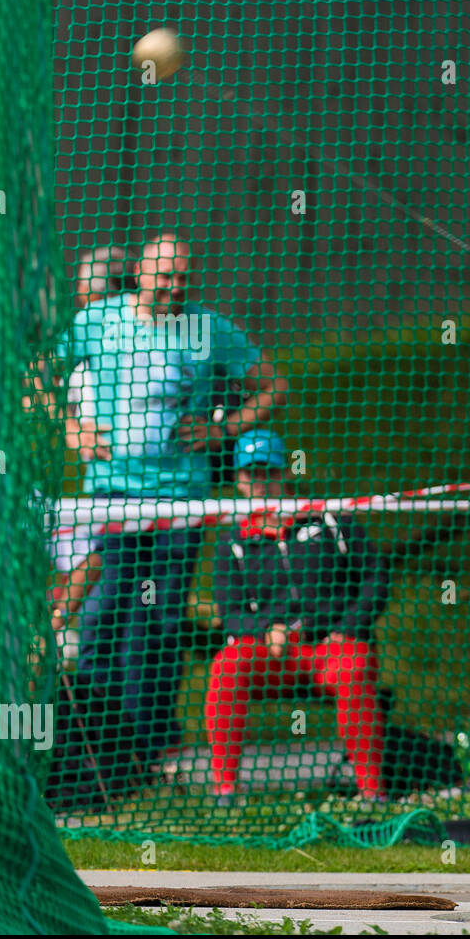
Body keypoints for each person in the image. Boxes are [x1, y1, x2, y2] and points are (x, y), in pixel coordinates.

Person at [54, 231, 288, 785]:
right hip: (112, 492)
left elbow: (273, 386)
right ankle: (96, 736)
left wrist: (221, 429)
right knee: (110, 605)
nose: (174, 287)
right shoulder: (97, 321)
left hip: (183, 496)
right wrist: (74, 428)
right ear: (139, 272)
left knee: (158, 616)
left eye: (183, 277)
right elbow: (38, 375)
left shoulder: (207, 328)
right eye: (164, 277)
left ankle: (148, 741)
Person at [204, 430, 391, 804]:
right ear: (237, 480)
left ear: (285, 473)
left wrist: (347, 628)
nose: (260, 483)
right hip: (271, 654)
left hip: (330, 648)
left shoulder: (331, 516)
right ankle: (225, 788)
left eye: (268, 472)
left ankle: (372, 792)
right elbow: (230, 612)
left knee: (354, 668)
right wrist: (264, 630)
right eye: (250, 474)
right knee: (226, 667)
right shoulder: (232, 539)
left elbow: (375, 577)